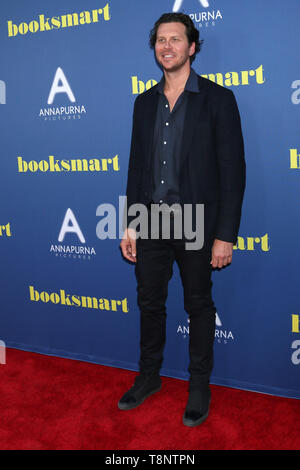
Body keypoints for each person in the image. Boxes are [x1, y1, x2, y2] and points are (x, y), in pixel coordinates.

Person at [118, 12, 246, 427]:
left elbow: (233, 172)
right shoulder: (143, 102)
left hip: (196, 221)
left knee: (198, 305)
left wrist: (225, 235)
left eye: (175, 39)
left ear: (192, 47)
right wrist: (132, 223)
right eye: (160, 39)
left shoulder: (218, 99)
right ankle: (149, 377)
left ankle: (199, 386)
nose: (166, 46)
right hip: (152, 219)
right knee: (150, 304)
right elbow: (137, 168)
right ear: (154, 48)